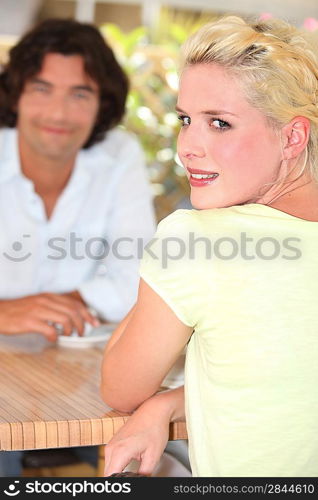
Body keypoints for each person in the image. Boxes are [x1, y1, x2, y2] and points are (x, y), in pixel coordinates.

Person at [101, 15, 318, 477]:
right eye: (185, 120)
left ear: (293, 137)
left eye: (219, 123)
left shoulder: (199, 240)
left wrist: (163, 275)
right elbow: (290, 388)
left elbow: (120, 389)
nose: (188, 148)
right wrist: (169, 406)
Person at [0, 18, 156, 475]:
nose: (59, 113)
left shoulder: (119, 156)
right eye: (42, 88)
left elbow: (138, 275)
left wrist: (62, 303)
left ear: (101, 103)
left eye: (79, 94)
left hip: (75, 372)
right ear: (16, 93)